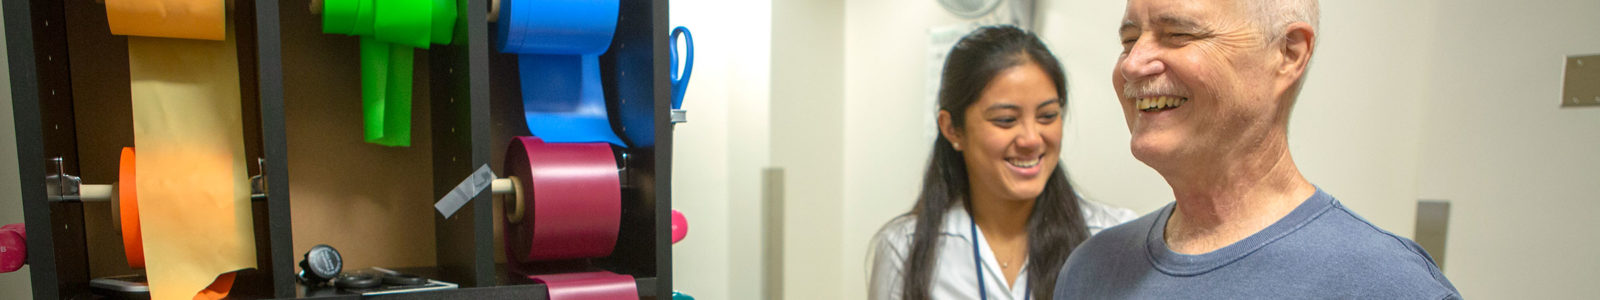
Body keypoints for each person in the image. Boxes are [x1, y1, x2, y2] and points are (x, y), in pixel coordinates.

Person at [1052, 0, 1460, 298]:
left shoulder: (1388, 285)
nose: (1132, 64)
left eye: (1179, 34)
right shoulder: (1093, 270)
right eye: (1128, 41)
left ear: (1289, 53)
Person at [868, 25, 1137, 300]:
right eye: (1006, 120)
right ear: (952, 129)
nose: (1031, 139)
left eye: (1047, 116)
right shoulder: (906, 248)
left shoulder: (1113, 238)